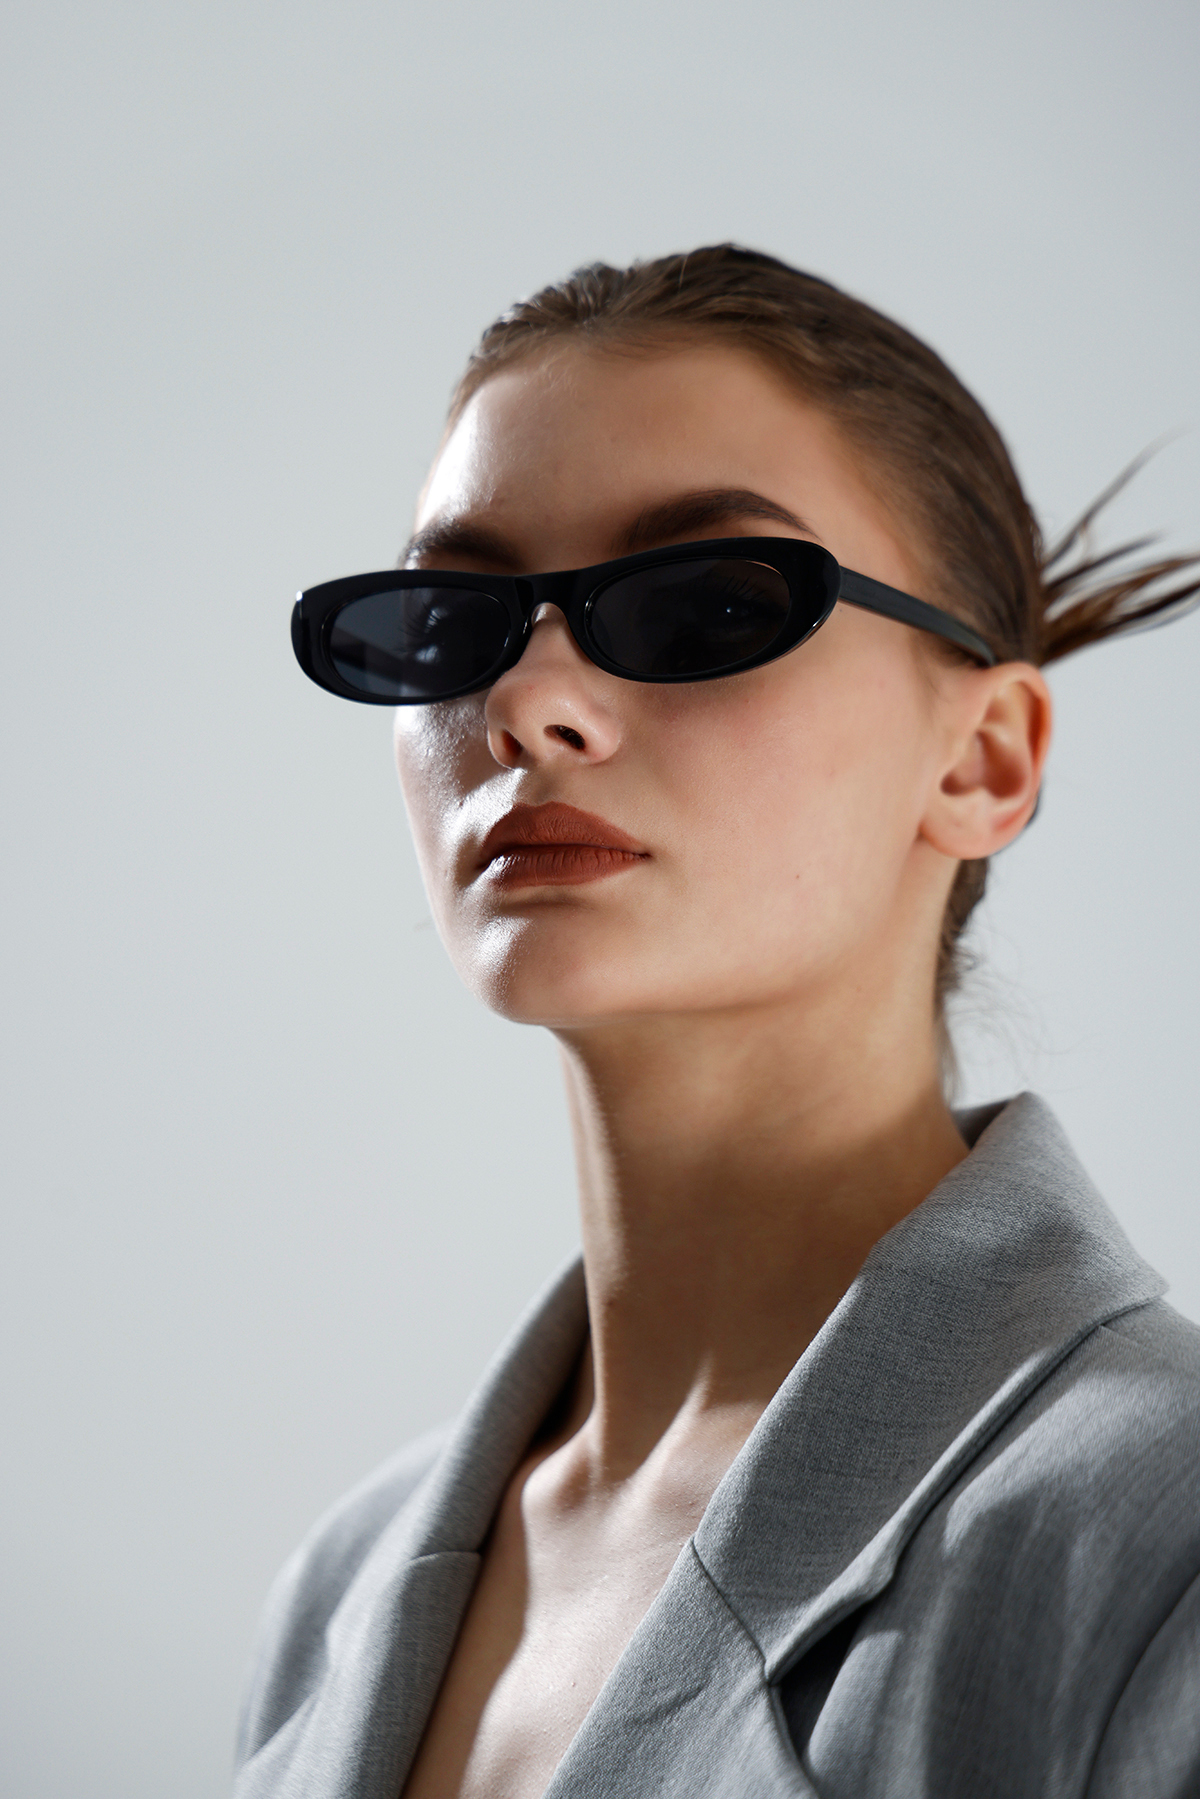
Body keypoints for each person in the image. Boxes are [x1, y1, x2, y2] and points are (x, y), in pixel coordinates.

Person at [234, 247, 1200, 1799]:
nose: (528, 703)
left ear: (984, 760)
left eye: (706, 607)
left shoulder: (1161, 1541)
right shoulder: (332, 1604)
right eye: (455, 620)